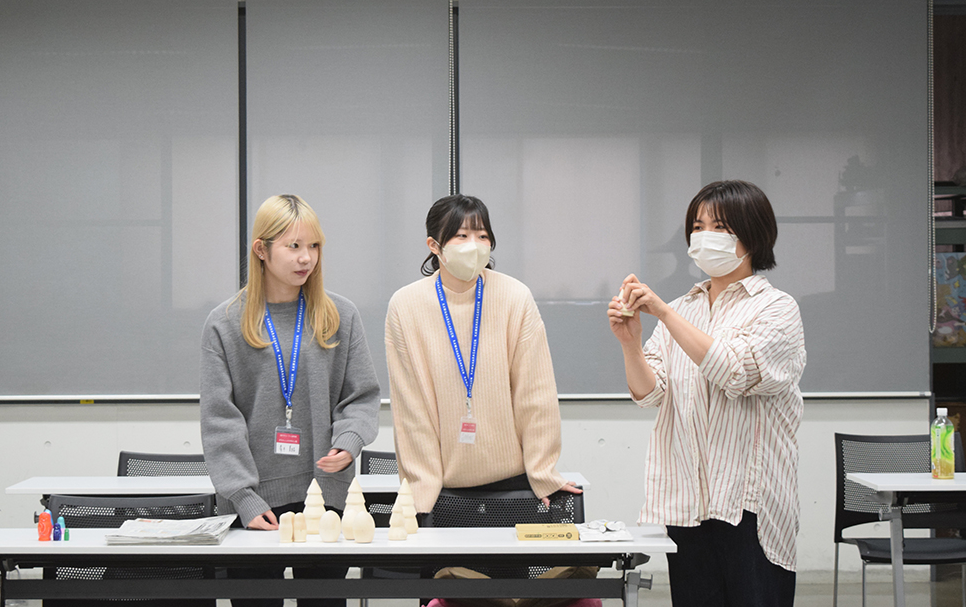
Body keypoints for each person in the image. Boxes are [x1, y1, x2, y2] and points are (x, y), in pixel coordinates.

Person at [607, 180, 806, 607]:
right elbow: (649, 394)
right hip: (688, 499)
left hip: (749, 502)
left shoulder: (776, 308)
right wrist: (630, 343)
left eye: (719, 227)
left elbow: (734, 371)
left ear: (752, 235)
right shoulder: (684, 308)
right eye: (698, 227)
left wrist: (663, 312)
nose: (704, 237)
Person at [200, 194, 380, 607]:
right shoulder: (224, 323)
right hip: (254, 503)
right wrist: (243, 497)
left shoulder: (340, 315)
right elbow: (219, 420)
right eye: (294, 246)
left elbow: (361, 396)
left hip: (325, 495)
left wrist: (349, 442)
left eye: (313, 246)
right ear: (261, 250)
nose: (306, 258)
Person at [385, 194, 581, 517]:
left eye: (482, 236)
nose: (474, 245)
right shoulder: (406, 306)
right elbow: (411, 409)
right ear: (434, 245)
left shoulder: (514, 297)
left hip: (515, 486)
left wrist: (543, 472)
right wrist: (421, 493)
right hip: (440, 491)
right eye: (461, 236)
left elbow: (536, 395)